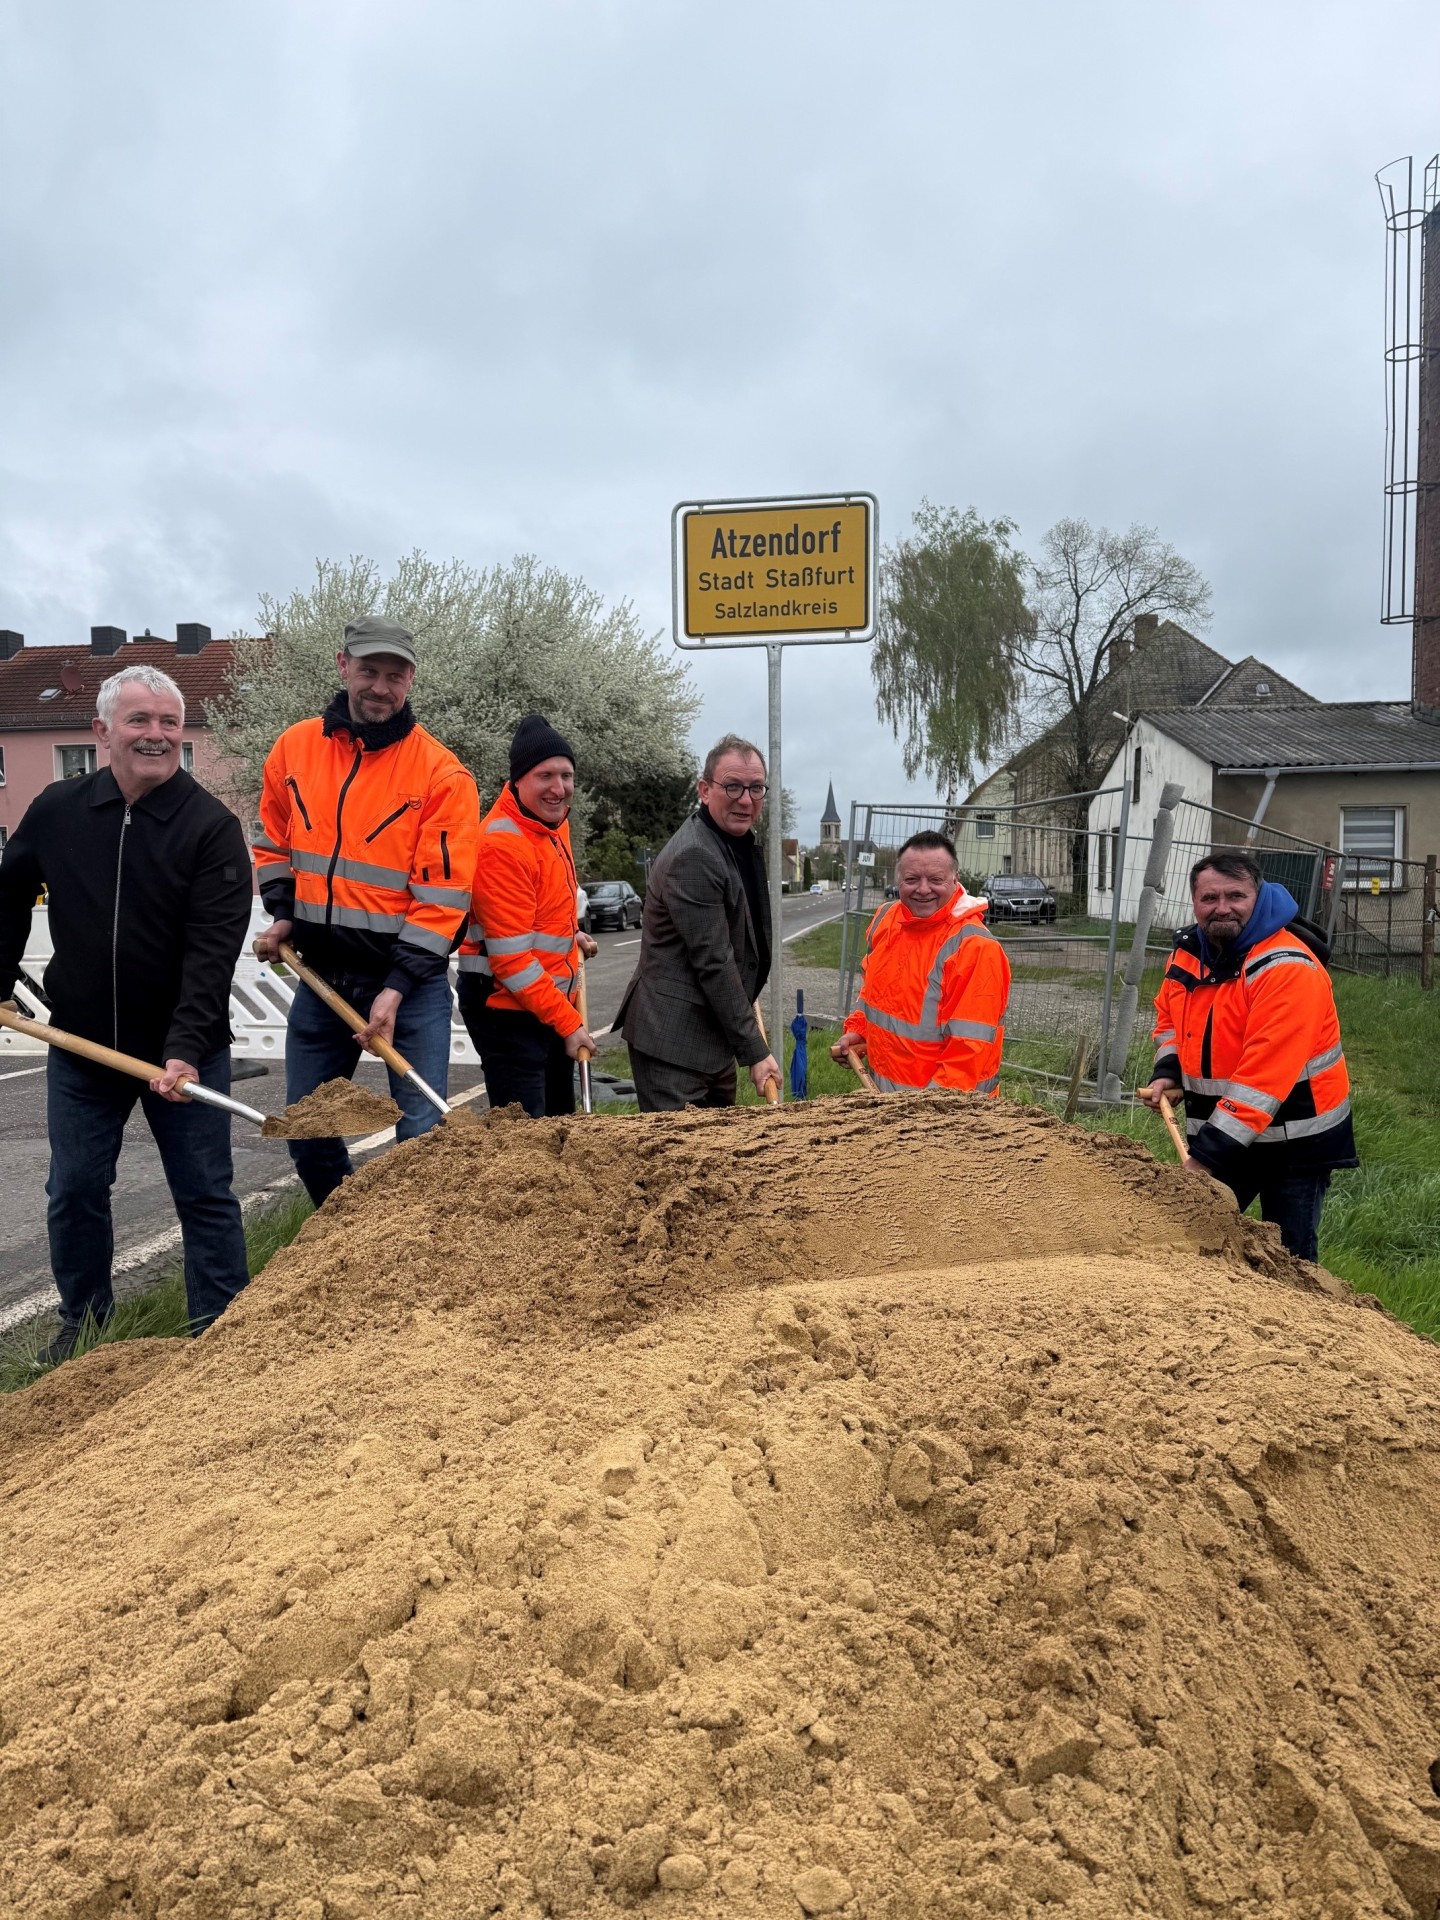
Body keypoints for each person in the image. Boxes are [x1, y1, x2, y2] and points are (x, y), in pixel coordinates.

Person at [0, 665, 254, 1361]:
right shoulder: (58, 809)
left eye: (169, 722)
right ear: (102, 730)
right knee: (75, 1188)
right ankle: (83, 1325)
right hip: (83, 1047)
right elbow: (8, 893)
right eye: (140, 720)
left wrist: (186, 1046)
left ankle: (220, 1335)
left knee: (204, 1191)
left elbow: (212, 954)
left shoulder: (210, 829)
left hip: (184, 1048)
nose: (157, 734)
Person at [253, 617, 479, 1205]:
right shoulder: (293, 749)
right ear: (342, 666)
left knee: (422, 1136)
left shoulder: (441, 774)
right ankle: (346, 1237)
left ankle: (413, 1251)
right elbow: (274, 845)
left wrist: (398, 986)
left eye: (395, 676)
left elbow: (445, 898)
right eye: (369, 671)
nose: (381, 687)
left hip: (410, 987)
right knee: (309, 1136)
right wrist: (284, 914)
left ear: (411, 681)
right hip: (322, 981)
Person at [1139, 848, 1357, 1262]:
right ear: (1194, 902)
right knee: (1202, 1247)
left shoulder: (1287, 967)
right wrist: (1169, 1072)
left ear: (1257, 897)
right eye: (1209, 898)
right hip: (1225, 1133)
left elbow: (1262, 1079)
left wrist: (1204, 1159)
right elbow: (1170, 1019)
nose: (1222, 908)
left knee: (1290, 1260)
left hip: (1294, 1142)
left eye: (1235, 896)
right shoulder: (1187, 953)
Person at [616, 733, 781, 1110]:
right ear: (705, 790)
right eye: (733, 786)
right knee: (679, 1161)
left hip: (710, 1040)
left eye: (756, 788)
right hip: (673, 1045)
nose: (746, 799)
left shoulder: (732, 842)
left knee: (717, 1158)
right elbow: (714, 962)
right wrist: (756, 1052)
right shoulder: (695, 855)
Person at [456, 714, 599, 1117]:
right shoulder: (502, 845)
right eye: (545, 776)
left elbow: (541, 913)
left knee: (560, 1122)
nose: (558, 788)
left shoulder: (551, 825)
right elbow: (512, 960)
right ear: (518, 780)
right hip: (505, 1009)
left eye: (566, 775)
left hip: (543, 1002)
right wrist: (569, 1025)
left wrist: (573, 936)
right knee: (526, 1137)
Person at [831, 831, 1010, 1094]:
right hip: (886, 1103)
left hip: (948, 1116)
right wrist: (860, 1032)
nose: (923, 889)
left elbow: (967, 1057)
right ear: (898, 880)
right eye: (912, 879)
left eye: (935, 879)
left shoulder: (975, 949)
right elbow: (872, 993)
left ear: (954, 879)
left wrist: (922, 1116)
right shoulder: (885, 919)